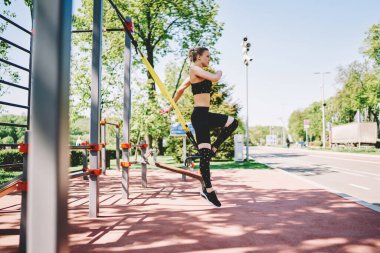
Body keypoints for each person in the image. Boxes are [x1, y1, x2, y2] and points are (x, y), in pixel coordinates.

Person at [161, 47, 238, 207]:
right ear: (198, 57)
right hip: (199, 117)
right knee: (204, 154)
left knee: (233, 123)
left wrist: (169, 107)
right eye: (207, 56)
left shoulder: (195, 72)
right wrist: (220, 72)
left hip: (206, 115)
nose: (209, 59)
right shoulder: (194, 68)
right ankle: (208, 190)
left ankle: (215, 147)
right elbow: (215, 78)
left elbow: (181, 89)